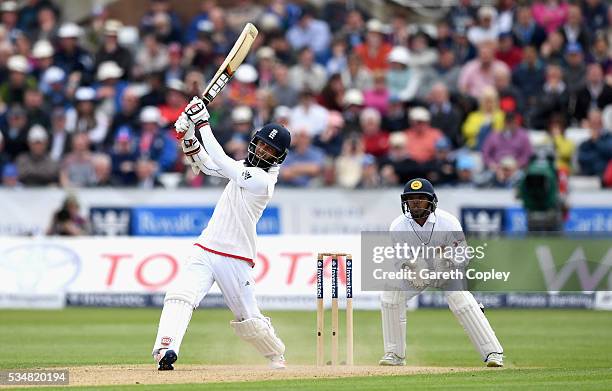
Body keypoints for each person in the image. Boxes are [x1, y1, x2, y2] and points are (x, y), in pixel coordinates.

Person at [152, 97, 291, 370]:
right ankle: (166, 349)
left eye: (269, 150)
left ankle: (276, 353)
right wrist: (189, 135)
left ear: (278, 157)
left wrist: (202, 121)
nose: (262, 151)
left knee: (248, 320)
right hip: (206, 247)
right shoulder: (244, 168)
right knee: (180, 295)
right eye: (261, 144)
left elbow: (221, 161)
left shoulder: (263, 181)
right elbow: (208, 165)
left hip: (235, 256)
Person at [379, 178, 504, 367]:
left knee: (460, 298)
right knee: (391, 293)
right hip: (418, 273)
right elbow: (399, 261)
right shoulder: (398, 225)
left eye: (421, 198)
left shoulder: (448, 222)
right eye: (411, 199)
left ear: (432, 201)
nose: (416, 202)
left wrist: (447, 264)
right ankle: (395, 355)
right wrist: (413, 268)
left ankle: (493, 353)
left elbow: (464, 255)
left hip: (447, 270)